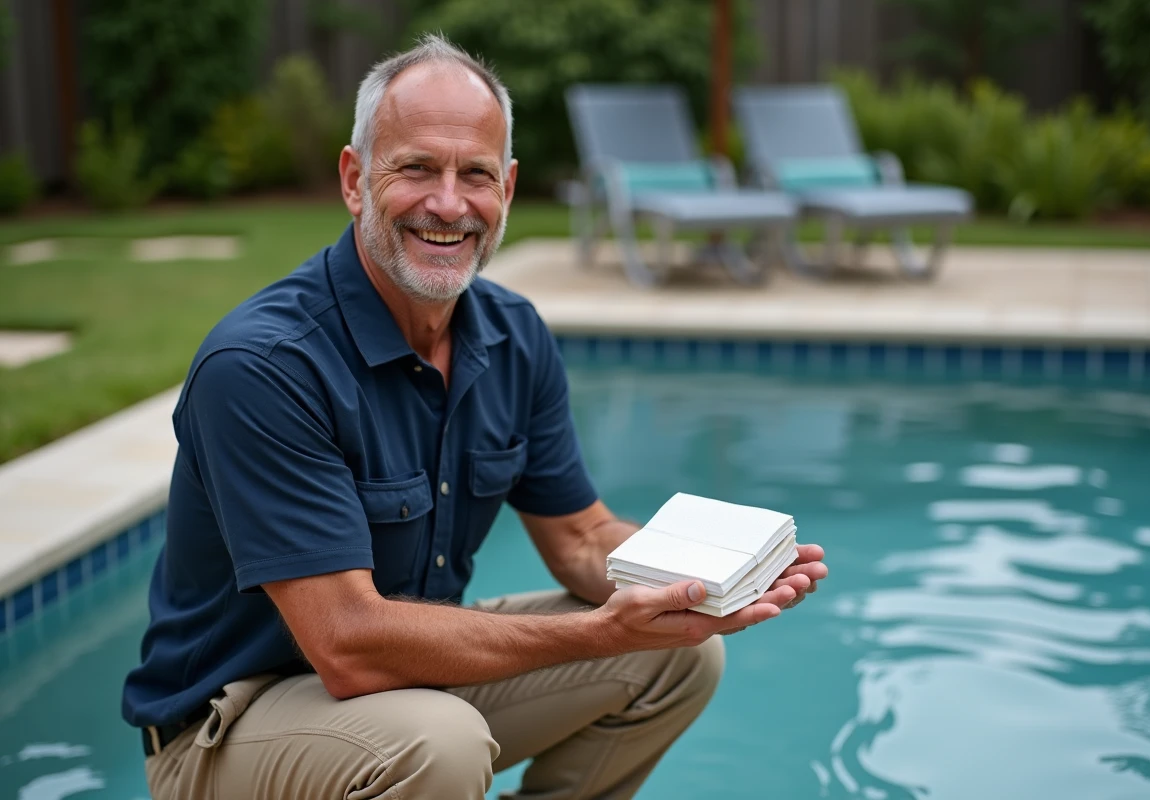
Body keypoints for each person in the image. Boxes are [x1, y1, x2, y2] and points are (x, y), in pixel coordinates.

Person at [122, 33, 828, 800]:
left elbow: (583, 538)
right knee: (440, 746)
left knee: (680, 654)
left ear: (509, 189)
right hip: (232, 726)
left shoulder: (513, 335)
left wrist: (705, 579)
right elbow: (349, 645)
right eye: (417, 168)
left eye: (476, 175)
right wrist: (595, 633)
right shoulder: (265, 366)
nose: (449, 204)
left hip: (406, 691)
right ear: (356, 179)